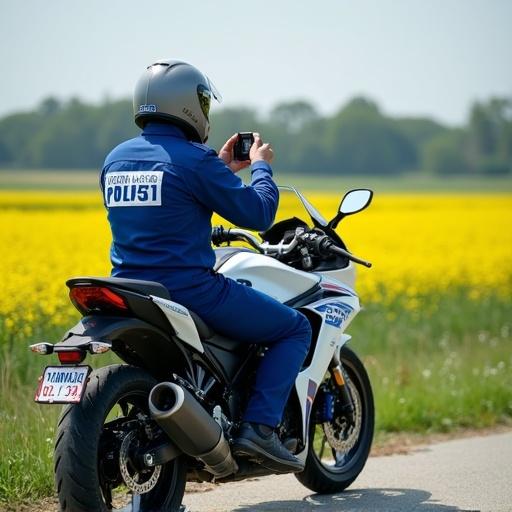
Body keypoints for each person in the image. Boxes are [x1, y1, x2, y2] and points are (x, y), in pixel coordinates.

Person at [100, 59, 311, 472]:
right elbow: (260, 214)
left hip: (128, 287)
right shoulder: (195, 160)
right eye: (202, 102)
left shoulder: (116, 158)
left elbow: (163, 207)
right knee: (293, 327)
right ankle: (260, 429)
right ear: (187, 106)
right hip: (190, 291)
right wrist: (261, 166)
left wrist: (221, 169)